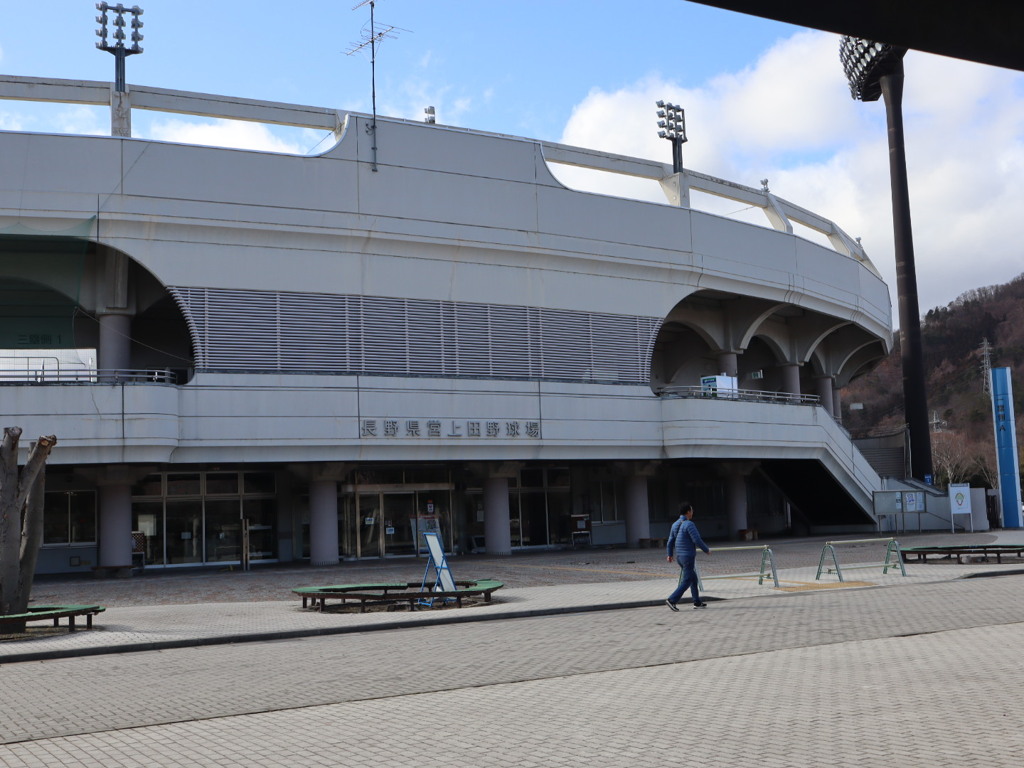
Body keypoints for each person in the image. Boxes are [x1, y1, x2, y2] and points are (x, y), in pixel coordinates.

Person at [665, 502, 711, 610]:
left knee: (693, 578)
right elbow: (696, 539)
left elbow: (670, 541)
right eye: (692, 510)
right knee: (687, 580)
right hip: (688, 557)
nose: (692, 512)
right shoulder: (689, 524)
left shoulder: (675, 524)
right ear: (688, 512)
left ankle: (697, 602)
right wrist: (706, 550)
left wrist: (669, 554)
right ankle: (672, 600)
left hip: (680, 557)